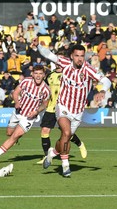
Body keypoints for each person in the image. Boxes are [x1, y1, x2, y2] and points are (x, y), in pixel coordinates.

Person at [38, 42, 111, 177]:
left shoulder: (88, 70)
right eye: (77, 56)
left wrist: (103, 91)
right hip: (63, 106)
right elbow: (49, 55)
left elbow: (107, 81)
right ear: (72, 56)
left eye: (82, 56)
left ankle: (52, 153)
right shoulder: (65, 63)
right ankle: (66, 166)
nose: (79, 59)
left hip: (78, 112)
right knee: (66, 132)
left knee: (64, 138)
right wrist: (38, 46)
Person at [0, 65, 50, 164]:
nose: (38, 76)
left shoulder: (46, 89)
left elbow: (45, 104)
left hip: (29, 117)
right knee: (9, 133)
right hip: (18, 112)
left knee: (14, 136)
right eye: (36, 73)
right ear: (32, 74)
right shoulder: (26, 81)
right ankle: (15, 138)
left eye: (40, 74)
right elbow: (15, 92)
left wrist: (37, 111)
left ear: (44, 75)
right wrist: (17, 102)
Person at [38, 64, 87, 164]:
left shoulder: (69, 74)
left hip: (63, 107)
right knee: (44, 131)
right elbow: (44, 88)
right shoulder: (49, 76)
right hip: (51, 107)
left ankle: (80, 144)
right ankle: (47, 156)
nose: (58, 64)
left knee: (66, 132)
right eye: (57, 62)